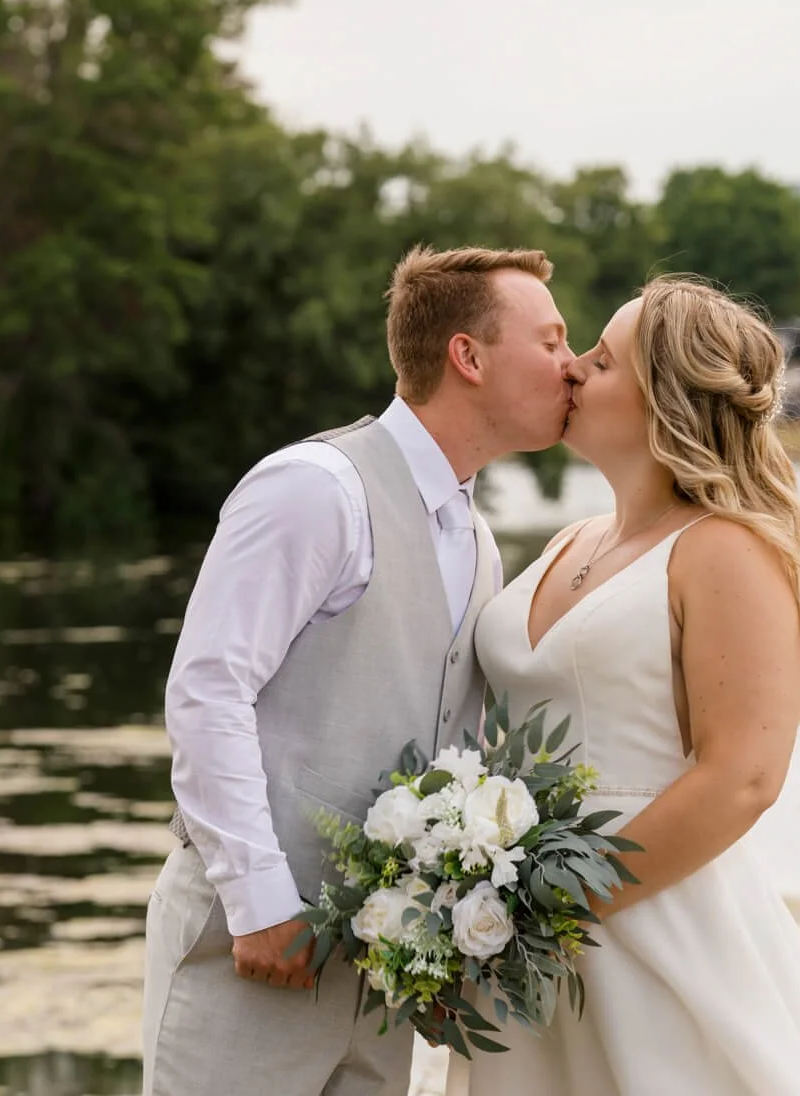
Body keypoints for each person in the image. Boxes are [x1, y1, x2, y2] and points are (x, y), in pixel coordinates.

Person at [140, 245, 574, 1096]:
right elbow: (206, 691)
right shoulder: (315, 489)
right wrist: (260, 902)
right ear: (469, 356)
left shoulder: (476, 540)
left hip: (383, 982)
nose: (572, 365)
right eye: (552, 340)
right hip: (251, 953)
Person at [466, 275, 800, 1095]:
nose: (574, 370)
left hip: (646, 922)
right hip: (521, 934)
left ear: (666, 401)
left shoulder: (724, 548)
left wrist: (559, 902)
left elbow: (744, 778)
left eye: (604, 360)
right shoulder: (571, 539)